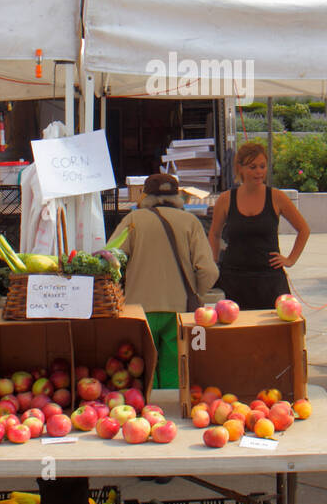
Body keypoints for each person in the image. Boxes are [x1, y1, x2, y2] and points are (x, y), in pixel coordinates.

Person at [108, 173, 219, 388]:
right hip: (178, 309)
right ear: (178, 196)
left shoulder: (132, 221)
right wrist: (196, 292)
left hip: (138, 309)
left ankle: (149, 408)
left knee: (143, 366)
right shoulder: (190, 222)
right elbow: (208, 270)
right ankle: (171, 410)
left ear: (145, 196)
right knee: (174, 367)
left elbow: (110, 260)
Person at [208, 141, 310, 310]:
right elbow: (214, 234)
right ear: (240, 168)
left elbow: (304, 229)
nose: (259, 172)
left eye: (262, 166)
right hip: (234, 278)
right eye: (253, 167)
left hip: (269, 279)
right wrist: (214, 262)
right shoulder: (226, 199)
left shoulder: (277, 197)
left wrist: (290, 259)